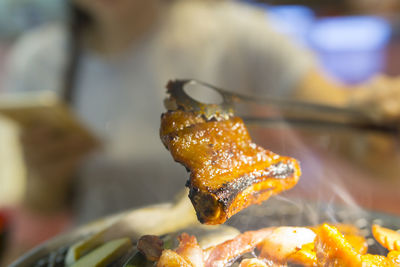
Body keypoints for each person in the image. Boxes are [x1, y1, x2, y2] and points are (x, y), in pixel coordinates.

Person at [2, 0, 400, 258]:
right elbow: (35, 226)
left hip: (223, 244)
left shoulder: (236, 35)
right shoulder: (40, 58)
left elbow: (357, 137)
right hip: (101, 250)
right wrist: (42, 184)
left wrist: (374, 122)